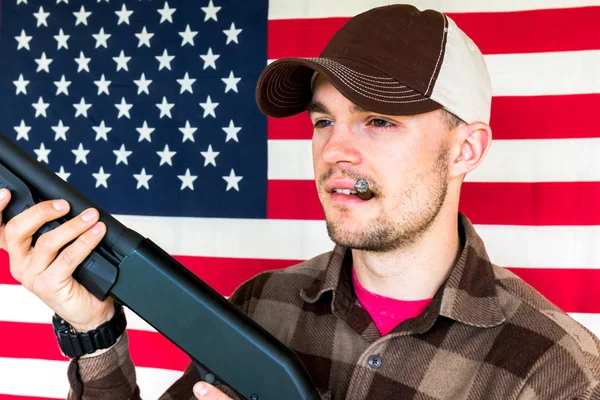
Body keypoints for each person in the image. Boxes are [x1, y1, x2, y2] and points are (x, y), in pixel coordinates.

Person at [1, 4, 599, 399]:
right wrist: (93, 328)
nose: (335, 150)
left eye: (378, 122)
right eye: (322, 121)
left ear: (466, 149)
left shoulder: (553, 367)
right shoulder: (261, 306)